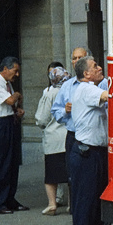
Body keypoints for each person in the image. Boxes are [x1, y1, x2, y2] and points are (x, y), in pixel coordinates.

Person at [69, 55, 113, 225]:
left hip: (96, 151)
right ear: (86, 74)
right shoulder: (87, 89)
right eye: (95, 66)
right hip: (86, 152)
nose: (99, 68)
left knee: (98, 200)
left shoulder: (91, 89)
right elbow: (110, 96)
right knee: (85, 201)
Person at [0, 56, 28, 214]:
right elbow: (9, 100)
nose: (16, 75)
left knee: (12, 163)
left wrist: (17, 110)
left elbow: (11, 105)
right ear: (5, 69)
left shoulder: (7, 83)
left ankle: (10, 198)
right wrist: (16, 95)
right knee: (1, 164)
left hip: (10, 121)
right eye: (15, 71)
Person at [34, 63, 70, 215]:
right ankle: (71, 204)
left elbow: (42, 118)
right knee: (70, 174)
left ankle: (52, 204)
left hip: (53, 139)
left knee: (51, 175)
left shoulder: (49, 94)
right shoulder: (71, 92)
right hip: (69, 137)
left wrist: (41, 124)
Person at [50, 46, 88, 156]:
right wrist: (65, 111)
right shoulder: (67, 86)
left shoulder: (99, 83)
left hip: (91, 137)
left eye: (80, 58)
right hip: (73, 136)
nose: (76, 61)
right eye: (74, 58)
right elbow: (55, 111)